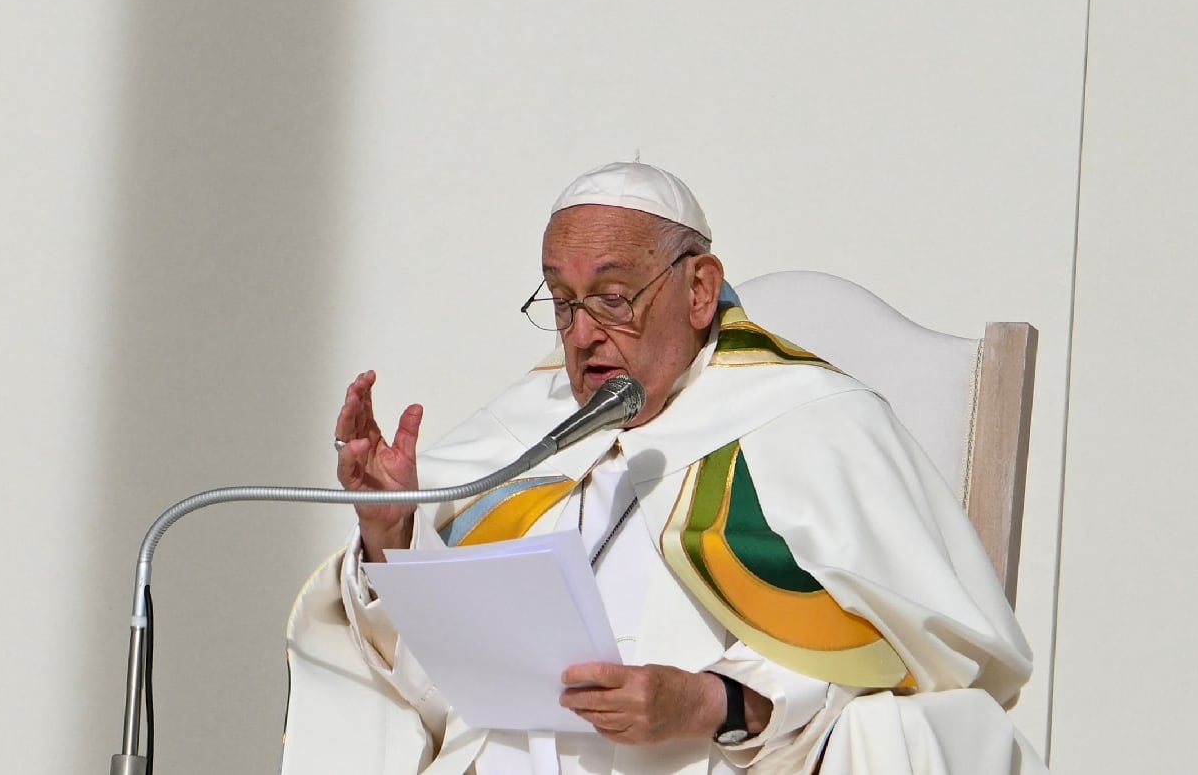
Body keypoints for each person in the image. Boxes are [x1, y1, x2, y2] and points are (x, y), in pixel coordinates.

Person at [280, 162, 1047, 775]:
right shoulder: (525, 431)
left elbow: (919, 662)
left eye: (614, 298)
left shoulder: (813, 421)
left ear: (700, 289)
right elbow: (433, 691)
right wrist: (393, 536)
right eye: (562, 301)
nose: (582, 335)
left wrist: (710, 701)